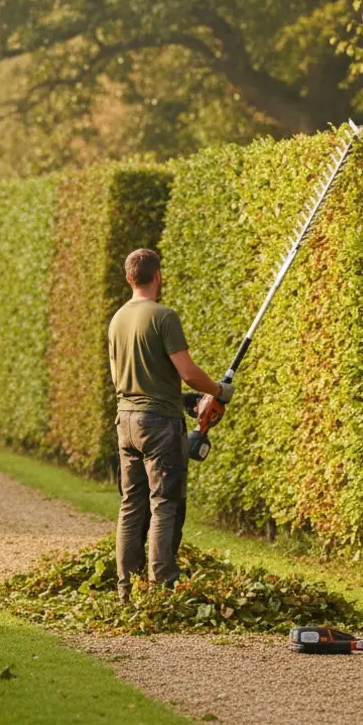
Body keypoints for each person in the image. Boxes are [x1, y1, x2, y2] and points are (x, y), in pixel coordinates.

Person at [107, 248, 231, 601]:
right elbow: (189, 373)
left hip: (126, 420)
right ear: (158, 276)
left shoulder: (117, 320)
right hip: (159, 423)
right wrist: (219, 390)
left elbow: (122, 377)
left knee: (132, 503)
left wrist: (187, 403)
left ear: (129, 277)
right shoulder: (164, 316)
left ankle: (126, 588)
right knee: (164, 503)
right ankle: (162, 588)